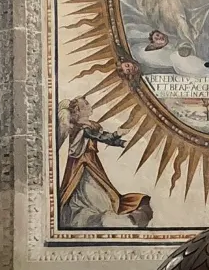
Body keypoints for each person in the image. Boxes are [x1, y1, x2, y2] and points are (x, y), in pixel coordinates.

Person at [57, 97, 154, 228]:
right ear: (78, 111)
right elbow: (99, 137)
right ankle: (97, 216)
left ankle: (103, 215)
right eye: (86, 104)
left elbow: (105, 137)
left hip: (91, 162)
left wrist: (121, 142)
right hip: (82, 165)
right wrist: (117, 134)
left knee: (102, 191)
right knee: (89, 191)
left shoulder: (91, 125)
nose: (90, 106)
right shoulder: (81, 128)